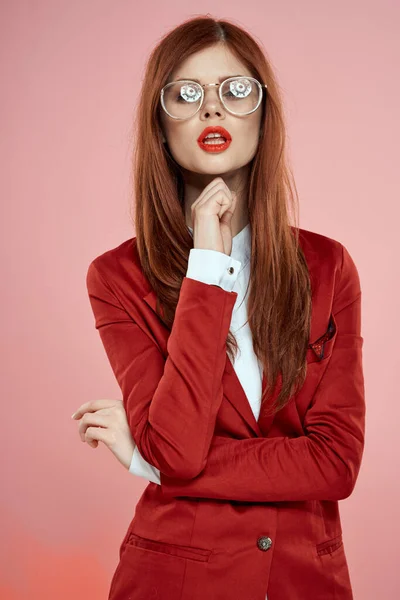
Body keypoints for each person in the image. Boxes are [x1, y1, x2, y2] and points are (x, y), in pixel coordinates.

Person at [71, 15, 365, 600]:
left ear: (264, 115)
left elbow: (335, 464)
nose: (212, 110)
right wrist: (208, 265)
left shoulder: (329, 267)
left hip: (305, 581)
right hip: (175, 579)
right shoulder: (118, 277)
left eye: (236, 90)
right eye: (185, 94)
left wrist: (149, 462)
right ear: (159, 125)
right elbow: (178, 445)